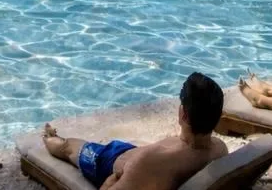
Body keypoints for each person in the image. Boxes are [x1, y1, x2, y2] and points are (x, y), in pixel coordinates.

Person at [42, 72, 227, 190]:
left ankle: (48, 138)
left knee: (68, 147)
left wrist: (108, 183)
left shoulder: (151, 163)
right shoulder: (219, 149)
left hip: (106, 161)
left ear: (184, 115)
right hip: (133, 157)